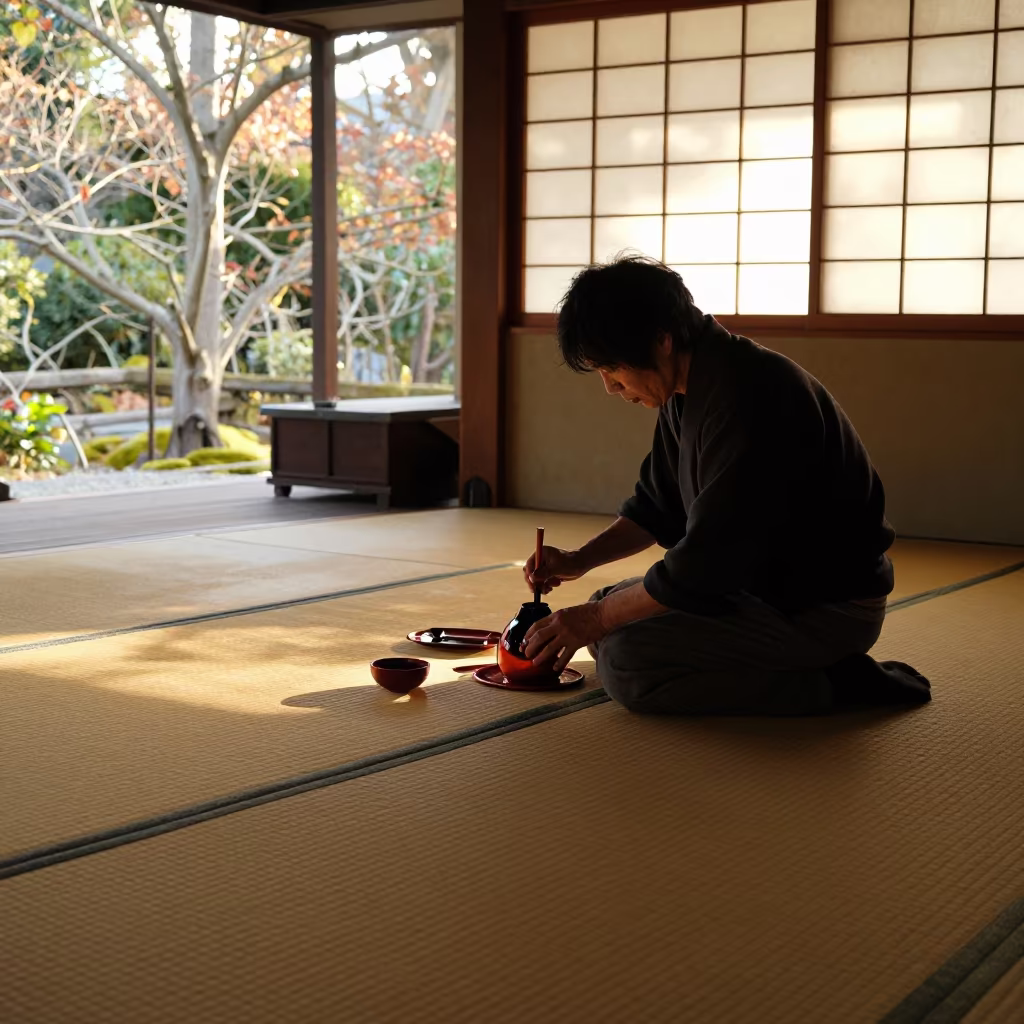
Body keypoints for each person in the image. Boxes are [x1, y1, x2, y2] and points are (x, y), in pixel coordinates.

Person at [522, 255, 930, 715]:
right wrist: (579, 561)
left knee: (627, 662)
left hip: (820, 607)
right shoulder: (688, 386)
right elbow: (655, 507)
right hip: (757, 587)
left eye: (612, 368)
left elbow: (707, 562)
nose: (610, 387)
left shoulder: (751, 396)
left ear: (661, 340)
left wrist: (595, 620)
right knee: (607, 610)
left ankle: (839, 685)